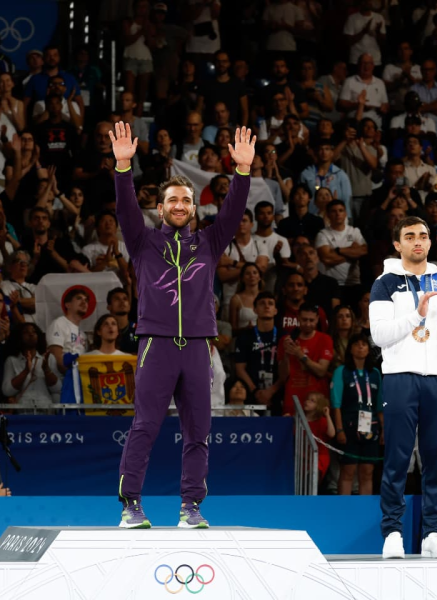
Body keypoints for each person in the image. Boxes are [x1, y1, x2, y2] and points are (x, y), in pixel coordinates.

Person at [111, 122, 254, 529]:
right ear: (160, 208)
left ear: (194, 208)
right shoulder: (142, 241)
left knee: (199, 432)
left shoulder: (209, 242)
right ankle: (130, 505)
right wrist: (123, 166)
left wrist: (241, 173)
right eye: (172, 199)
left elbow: (233, 211)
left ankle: (191, 507)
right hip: (155, 345)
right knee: (145, 427)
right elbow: (123, 207)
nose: (179, 205)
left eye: (186, 200)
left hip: (196, 347)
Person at [372, 216, 437, 559]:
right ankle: (392, 533)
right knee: (397, 458)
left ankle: (432, 533)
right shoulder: (384, 284)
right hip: (400, 376)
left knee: (436, 460)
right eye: (409, 236)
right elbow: (379, 335)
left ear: (430, 243)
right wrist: (417, 315)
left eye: (424, 236)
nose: (418, 241)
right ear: (397, 244)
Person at [331, 333, 383, 496]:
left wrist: (384, 430)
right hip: (349, 425)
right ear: (350, 349)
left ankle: (364, 510)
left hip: (371, 426)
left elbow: (380, 404)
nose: (361, 347)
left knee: (367, 470)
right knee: (348, 469)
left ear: (369, 349)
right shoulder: (342, 371)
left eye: (364, 344)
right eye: (357, 344)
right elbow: (336, 403)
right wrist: (339, 430)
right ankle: (343, 509)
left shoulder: (375, 373)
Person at [277, 303, 333, 416]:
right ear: (297, 318)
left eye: (311, 320)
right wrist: (287, 355)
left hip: (317, 404)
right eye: (304, 320)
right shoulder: (286, 340)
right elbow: (283, 377)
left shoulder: (325, 339)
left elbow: (321, 371)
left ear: (317, 319)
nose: (308, 324)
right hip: (292, 401)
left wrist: (301, 355)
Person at [1, 323, 59, 409]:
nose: (31, 334)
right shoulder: (12, 360)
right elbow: (7, 391)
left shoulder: (48, 358)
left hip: (46, 410)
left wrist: (46, 370)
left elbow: (58, 389)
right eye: (26, 332)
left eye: (34, 332)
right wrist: (25, 371)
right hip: (22, 411)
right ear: (19, 337)